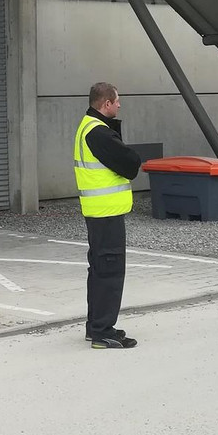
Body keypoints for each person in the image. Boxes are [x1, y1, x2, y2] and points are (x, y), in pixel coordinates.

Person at [74, 82, 141, 349]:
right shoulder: (99, 133)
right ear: (106, 104)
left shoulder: (87, 125)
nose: (119, 105)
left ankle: (96, 327)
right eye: (117, 101)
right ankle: (103, 332)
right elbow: (130, 163)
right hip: (106, 212)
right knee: (110, 271)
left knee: (99, 270)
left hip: (98, 212)